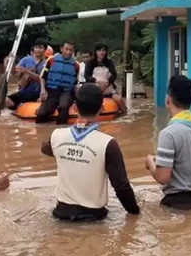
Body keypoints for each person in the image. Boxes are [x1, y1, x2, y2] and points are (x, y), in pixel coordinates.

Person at [40, 83, 140, 221]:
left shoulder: (56, 136)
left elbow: (45, 149)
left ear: (74, 107)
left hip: (60, 215)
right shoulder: (108, 144)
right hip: (93, 219)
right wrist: (135, 213)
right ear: (102, 108)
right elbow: (121, 186)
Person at [146, 75, 191, 210]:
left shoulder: (168, 134)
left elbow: (163, 178)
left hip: (178, 205)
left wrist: (150, 162)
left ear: (168, 100)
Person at [36, 41, 81, 124]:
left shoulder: (76, 65)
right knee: (42, 114)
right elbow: (42, 76)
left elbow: (76, 83)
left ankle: (60, 131)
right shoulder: (51, 60)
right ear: (61, 49)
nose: (68, 52)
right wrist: (43, 90)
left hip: (66, 92)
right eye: (66, 49)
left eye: (71, 50)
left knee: (63, 108)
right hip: (51, 91)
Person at [2, 40, 48, 110]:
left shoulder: (46, 63)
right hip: (24, 91)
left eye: (41, 48)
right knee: (4, 100)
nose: (38, 50)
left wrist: (27, 71)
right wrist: (10, 63)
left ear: (44, 50)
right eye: (36, 47)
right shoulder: (26, 60)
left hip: (37, 92)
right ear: (34, 48)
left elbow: (42, 78)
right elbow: (14, 72)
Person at [84, 43, 127, 113]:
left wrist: (107, 83)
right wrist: (96, 81)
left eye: (103, 50)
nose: (102, 52)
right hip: (94, 88)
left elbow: (114, 74)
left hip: (108, 88)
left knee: (119, 99)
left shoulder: (109, 62)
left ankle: (126, 114)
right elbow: (86, 76)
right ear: (96, 52)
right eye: (99, 50)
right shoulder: (90, 63)